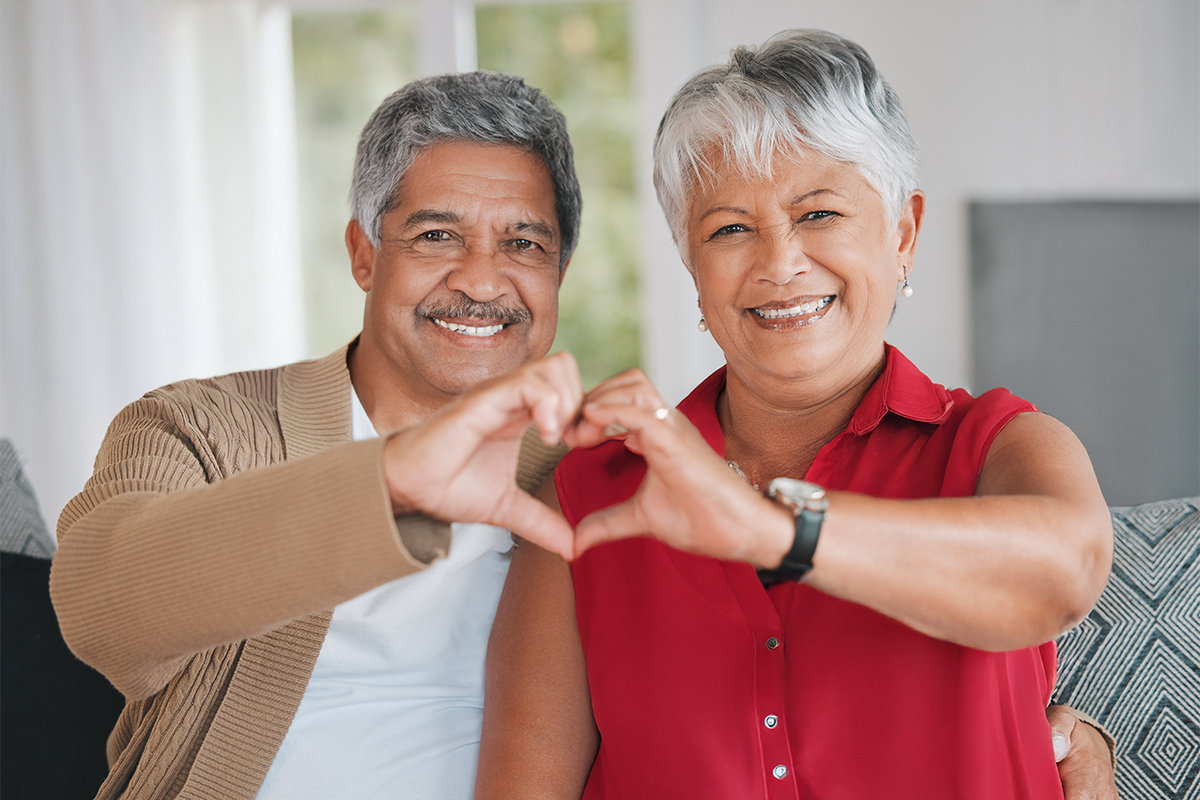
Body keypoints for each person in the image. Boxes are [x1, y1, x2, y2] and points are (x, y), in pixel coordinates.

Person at [480, 30, 1116, 800]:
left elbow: (1066, 573)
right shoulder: (590, 501)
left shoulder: (998, 446)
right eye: (730, 229)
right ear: (692, 263)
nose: (779, 262)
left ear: (903, 235)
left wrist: (778, 532)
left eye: (819, 214)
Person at [49, 71, 586, 800]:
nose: (484, 282)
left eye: (523, 244)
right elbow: (99, 611)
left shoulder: (591, 471)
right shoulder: (199, 426)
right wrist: (389, 481)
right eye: (436, 236)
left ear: (558, 272)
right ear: (364, 255)